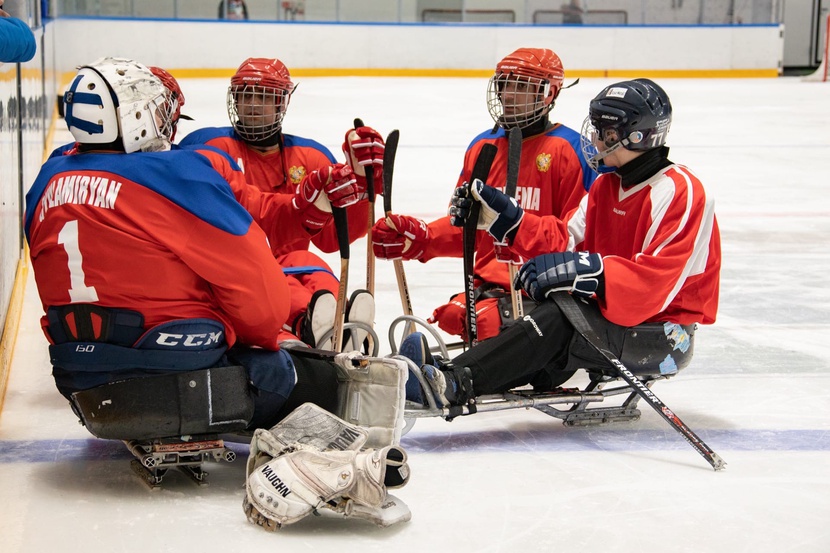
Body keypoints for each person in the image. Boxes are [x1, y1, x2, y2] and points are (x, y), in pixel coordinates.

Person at [24, 57, 411, 529]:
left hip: (80, 386)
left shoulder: (47, 177)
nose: (168, 124)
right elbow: (264, 310)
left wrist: (308, 200)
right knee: (308, 376)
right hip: (176, 379)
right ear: (136, 118)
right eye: (160, 111)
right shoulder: (176, 174)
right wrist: (259, 338)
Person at [402, 78, 721, 405]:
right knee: (543, 321)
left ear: (635, 137)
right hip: (618, 322)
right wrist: (509, 223)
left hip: (663, 336)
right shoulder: (605, 187)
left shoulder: (681, 191)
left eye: (604, 133)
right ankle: (453, 373)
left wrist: (592, 271)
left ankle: (452, 384)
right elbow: (565, 239)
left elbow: (655, 283)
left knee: (561, 315)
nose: (595, 140)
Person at [372, 47, 597, 342]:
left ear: (550, 93)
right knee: (454, 316)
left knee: (486, 323)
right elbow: (468, 229)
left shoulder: (573, 150)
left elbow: (577, 239)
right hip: (488, 284)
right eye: (505, 85)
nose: (510, 96)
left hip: (545, 285)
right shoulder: (483, 147)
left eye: (522, 86)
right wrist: (423, 237)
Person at [180, 57, 384, 350]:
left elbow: (330, 240)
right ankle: (314, 326)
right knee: (275, 279)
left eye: (263, 97)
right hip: (232, 269)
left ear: (282, 103)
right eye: (244, 95)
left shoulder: (311, 156)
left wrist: (364, 192)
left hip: (287, 263)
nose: (251, 104)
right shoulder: (208, 146)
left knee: (308, 261)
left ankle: (341, 323)